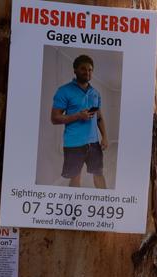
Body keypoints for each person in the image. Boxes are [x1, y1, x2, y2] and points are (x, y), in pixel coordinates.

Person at [50, 54, 108, 189]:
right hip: (74, 144)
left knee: (99, 174)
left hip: (94, 144)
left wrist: (104, 136)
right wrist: (78, 116)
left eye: (90, 69)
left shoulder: (95, 93)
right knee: (75, 177)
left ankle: (104, 204)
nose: (87, 72)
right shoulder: (64, 91)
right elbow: (54, 118)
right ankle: (73, 205)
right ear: (75, 70)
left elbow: (98, 116)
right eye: (83, 69)